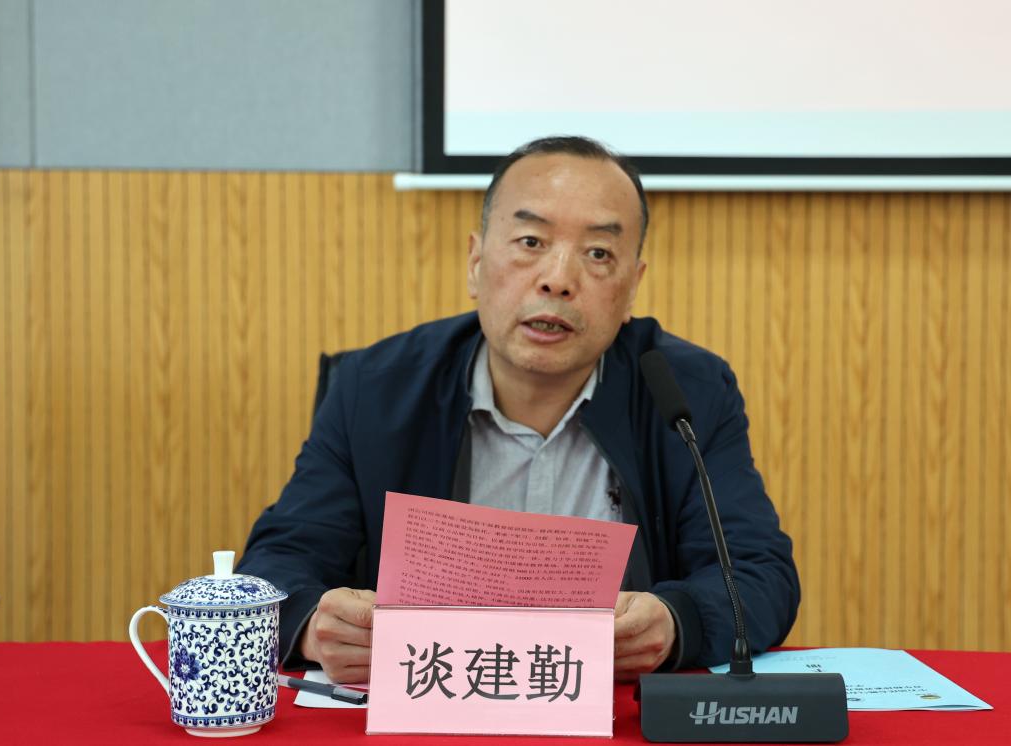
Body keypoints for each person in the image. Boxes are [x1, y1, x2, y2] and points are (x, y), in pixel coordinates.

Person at [237, 136, 799, 684]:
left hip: (614, 715)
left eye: (598, 254)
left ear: (632, 288)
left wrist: (677, 622)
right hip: (433, 704)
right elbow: (276, 566)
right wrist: (314, 627)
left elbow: (758, 575)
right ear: (476, 262)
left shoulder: (684, 393)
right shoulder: (376, 388)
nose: (557, 280)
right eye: (531, 241)